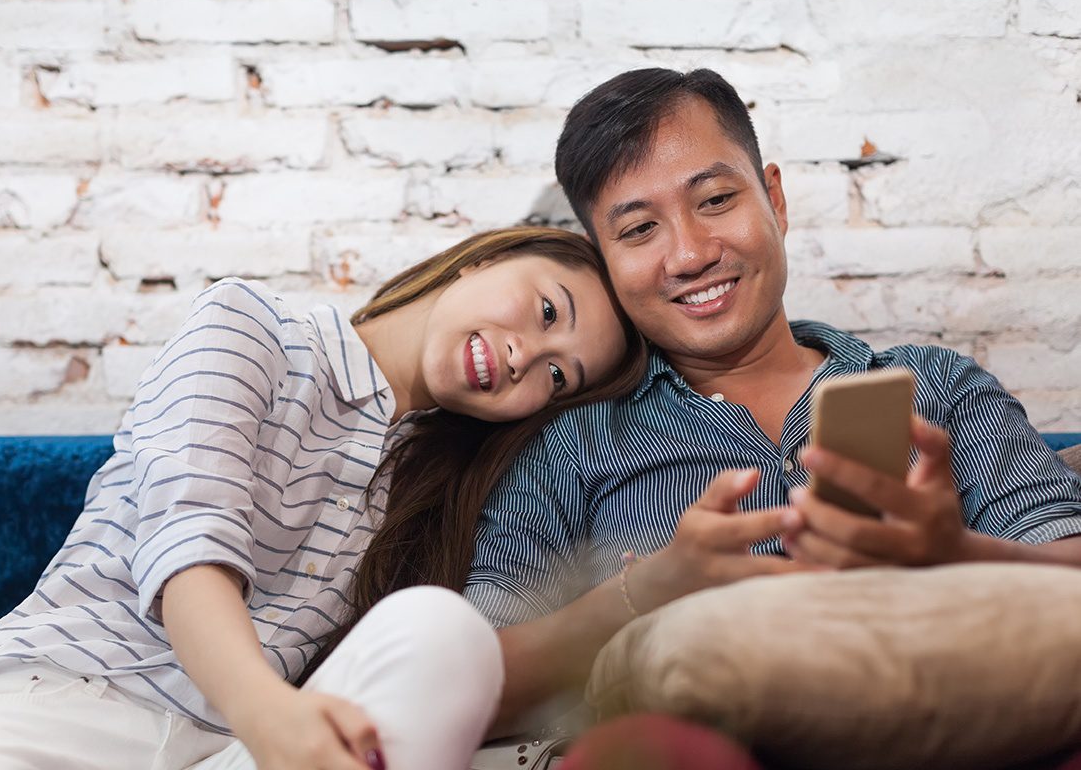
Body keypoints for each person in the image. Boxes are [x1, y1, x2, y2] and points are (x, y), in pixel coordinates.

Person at [463, 68, 1081, 735]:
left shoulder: (941, 388)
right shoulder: (571, 449)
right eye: (639, 231)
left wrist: (957, 557)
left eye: (716, 199)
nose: (690, 255)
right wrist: (644, 592)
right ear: (604, 260)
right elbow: (464, 683)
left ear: (774, 200)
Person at [0, 226, 647, 770]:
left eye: (558, 375)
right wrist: (271, 715)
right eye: (547, 311)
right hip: (69, 700)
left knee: (444, 634)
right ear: (488, 258)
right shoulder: (249, 326)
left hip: (231, 753)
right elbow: (188, 545)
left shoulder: (434, 490)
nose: (522, 355)